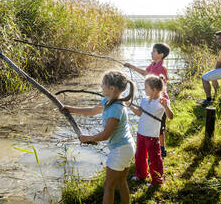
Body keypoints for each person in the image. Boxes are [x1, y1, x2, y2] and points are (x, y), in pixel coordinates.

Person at [61, 71, 135, 204]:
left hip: (121, 150)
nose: (101, 87)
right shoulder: (108, 101)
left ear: (112, 88)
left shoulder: (116, 108)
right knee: (121, 181)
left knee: (108, 186)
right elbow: (92, 111)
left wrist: (87, 138)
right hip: (126, 147)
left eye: (103, 84)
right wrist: (70, 109)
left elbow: (106, 135)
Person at [124, 43, 170, 158]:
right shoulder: (153, 64)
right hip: (151, 99)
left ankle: (162, 148)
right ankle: (153, 147)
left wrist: (161, 101)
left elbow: (162, 86)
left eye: (154, 52)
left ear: (161, 55)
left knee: (160, 126)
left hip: (160, 101)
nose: (151, 53)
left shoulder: (162, 68)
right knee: (152, 123)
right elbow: (145, 73)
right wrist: (131, 66)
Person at [128, 75, 174, 186]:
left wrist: (166, 106)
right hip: (141, 133)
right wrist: (130, 106)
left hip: (152, 136)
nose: (144, 90)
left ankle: (157, 180)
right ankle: (141, 174)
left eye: (146, 87)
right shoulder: (144, 100)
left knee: (155, 158)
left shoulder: (162, 101)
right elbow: (139, 113)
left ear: (154, 90)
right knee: (139, 155)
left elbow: (171, 116)